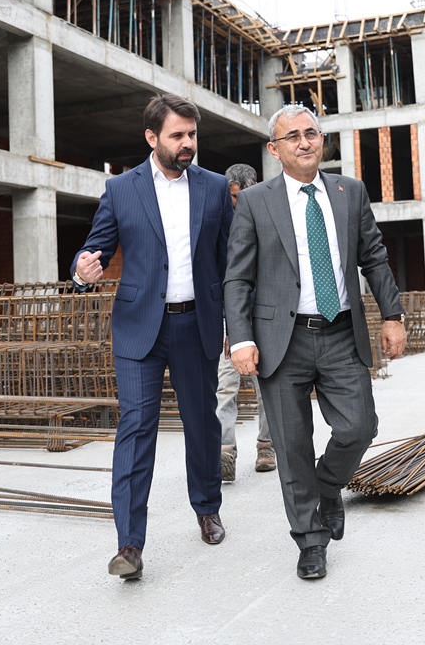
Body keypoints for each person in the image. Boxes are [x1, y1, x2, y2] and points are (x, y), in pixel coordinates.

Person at [223, 105, 406, 581]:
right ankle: (310, 540)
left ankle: (327, 487)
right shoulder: (256, 202)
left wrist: (392, 315)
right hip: (281, 341)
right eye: (293, 136)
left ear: (322, 139)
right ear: (274, 149)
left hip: (341, 332)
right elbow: (238, 277)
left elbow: (374, 257)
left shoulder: (350, 191)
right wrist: (240, 338)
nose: (304, 142)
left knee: (359, 427)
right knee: (291, 447)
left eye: (311, 133)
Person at [71, 93, 234, 581]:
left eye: (192, 135)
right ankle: (129, 544)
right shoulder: (121, 189)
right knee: (137, 427)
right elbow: (95, 248)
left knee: (200, 422)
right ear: (151, 137)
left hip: (196, 323)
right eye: (177, 135)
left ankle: (207, 507)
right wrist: (82, 271)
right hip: (139, 325)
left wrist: (237, 325)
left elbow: (230, 262)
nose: (188, 143)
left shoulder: (214, 187)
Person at [216, 163, 274, 481]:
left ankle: (266, 446)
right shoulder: (220, 225)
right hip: (230, 320)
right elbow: (225, 281)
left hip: (263, 317)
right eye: (232, 197)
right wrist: (231, 325)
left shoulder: (267, 220)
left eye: (241, 196)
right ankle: (225, 452)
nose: (236, 203)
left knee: (266, 387)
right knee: (225, 386)